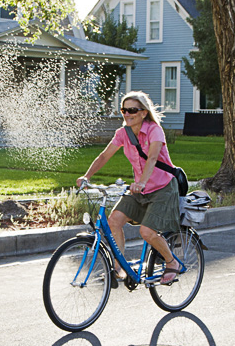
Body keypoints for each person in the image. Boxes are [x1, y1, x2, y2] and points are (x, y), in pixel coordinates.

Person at [77, 91, 182, 284]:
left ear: (143, 112)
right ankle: (120, 269)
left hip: (163, 188)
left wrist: (142, 182)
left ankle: (171, 261)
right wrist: (87, 176)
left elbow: (152, 158)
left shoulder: (154, 130)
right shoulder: (122, 133)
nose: (127, 114)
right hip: (139, 190)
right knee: (114, 221)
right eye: (124, 110)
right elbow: (104, 156)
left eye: (132, 110)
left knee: (147, 232)